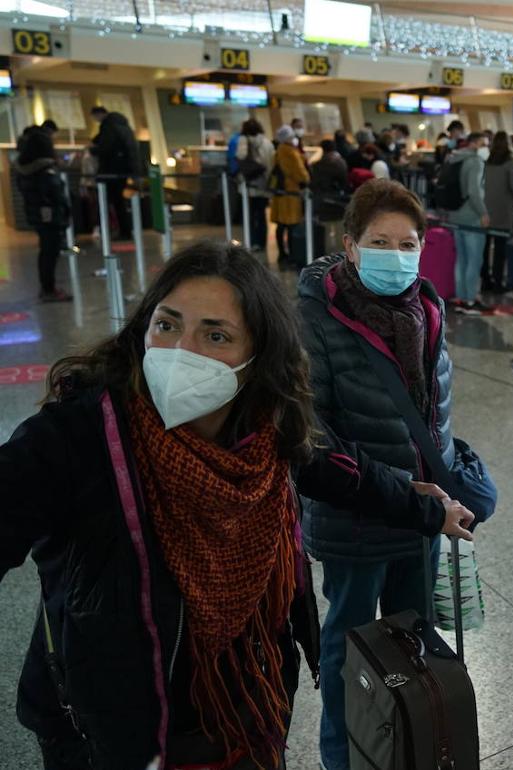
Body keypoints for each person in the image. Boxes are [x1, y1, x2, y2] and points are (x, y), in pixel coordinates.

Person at [0, 241, 472, 770]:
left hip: (247, 702)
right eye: (167, 325)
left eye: (216, 335)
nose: (183, 350)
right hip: (117, 733)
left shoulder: (268, 427)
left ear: (256, 358)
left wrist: (432, 510)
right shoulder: (75, 440)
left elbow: (347, 473)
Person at [298, 179, 484, 770]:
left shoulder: (426, 306)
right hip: (357, 509)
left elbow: (428, 410)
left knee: (414, 638)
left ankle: (409, 747)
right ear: (350, 246)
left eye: (409, 243)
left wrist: (447, 475)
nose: (397, 255)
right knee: (348, 644)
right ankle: (344, 755)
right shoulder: (316, 315)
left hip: (422, 513)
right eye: (381, 241)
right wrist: (401, 490)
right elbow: (312, 435)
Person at [16, 123, 72, 302]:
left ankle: (47, 288)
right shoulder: (44, 170)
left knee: (45, 252)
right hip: (49, 216)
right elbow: (55, 194)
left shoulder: (25, 170)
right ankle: (48, 290)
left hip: (39, 215)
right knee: (50, 252)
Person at [444, 131, 491, 314]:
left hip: (455, 214)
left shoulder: (455, 158)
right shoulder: (475, 162)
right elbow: (474, 191)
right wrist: (483, 213)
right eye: (484, 143)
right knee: (474, 259)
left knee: (462, 258)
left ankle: (461, 296)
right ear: (474, 144)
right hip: (471, 216)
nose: (486, 148)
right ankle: (470, 299)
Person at [89, 105, 140, 242]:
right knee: (119, 202)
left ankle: (109, 230)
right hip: (122, 170)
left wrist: (93, 150)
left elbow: (105, 146)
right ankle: (124, 230)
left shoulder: (108, 126)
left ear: (98, 114)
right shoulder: (121, 124)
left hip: (110, 170)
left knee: (106, 202)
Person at [483, 130, 513, 293]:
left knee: (485, 249)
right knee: (500, 249)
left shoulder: (488, 161)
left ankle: (486, 280)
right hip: (504, 209)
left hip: (487, 208)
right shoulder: (509, 162)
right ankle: (498, 283)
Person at [271, 125, 311, 270]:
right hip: (291, 192)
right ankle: (294, 255)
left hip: (280, 192)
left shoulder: (278, 150)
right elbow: (300, 173)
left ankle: (282, 253)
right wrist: (307, 180)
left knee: (281, 225)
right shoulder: (290, 152)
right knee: (292, 225)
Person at [236, 119, 275, 253]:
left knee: (249, 215)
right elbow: (271, 164)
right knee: (262, 215)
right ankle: (262, 243)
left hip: (249, 186)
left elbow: (240, 158)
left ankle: (251, 242)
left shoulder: (243, 140)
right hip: (263, 185)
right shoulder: (267, 143)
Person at [310, 139, 350, 250]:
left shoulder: (317, 165)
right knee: (339, 230)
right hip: (337, 199)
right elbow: (344, 182)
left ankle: (328, 255)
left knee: (327, 230)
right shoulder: (340, 162)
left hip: (322, 200)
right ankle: (341, 255)